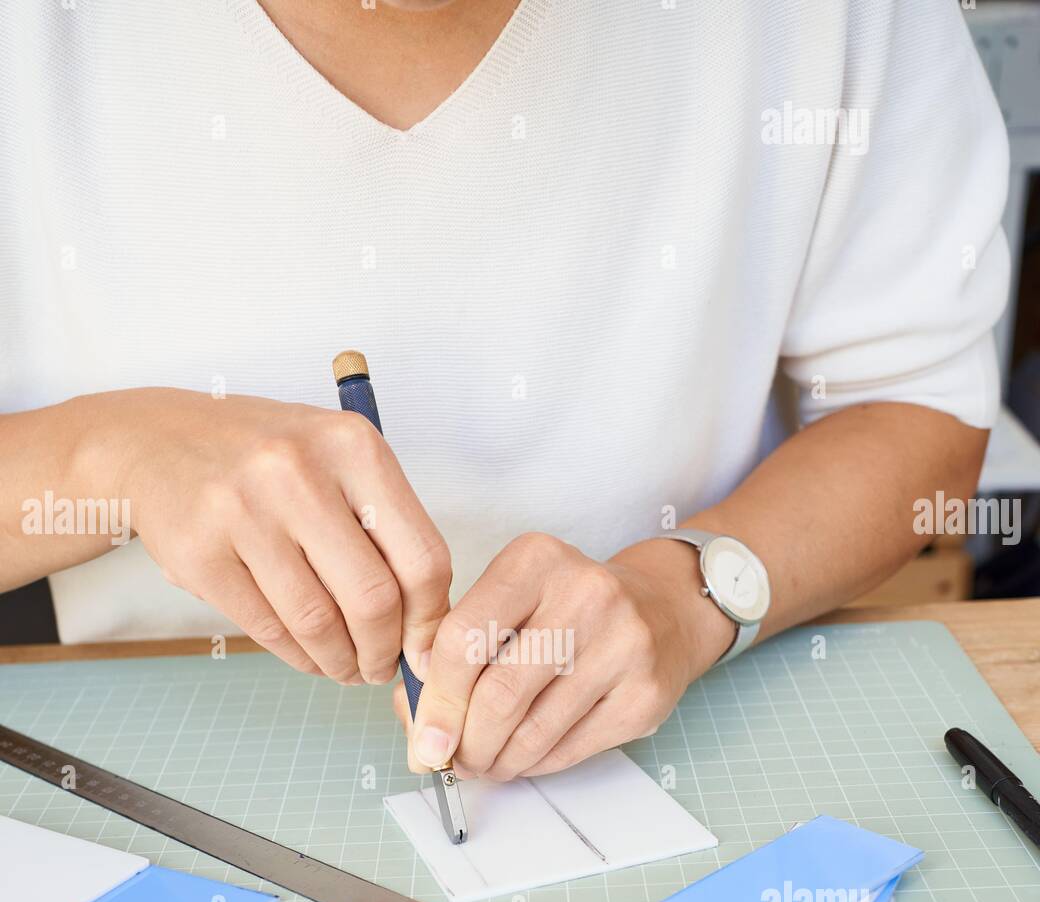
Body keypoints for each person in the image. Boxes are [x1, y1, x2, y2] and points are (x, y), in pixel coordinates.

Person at [0, 0, 1009, 782]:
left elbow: (912, 400)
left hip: (691, 728)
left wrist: (690, 593)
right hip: (133, 760)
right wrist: (109, 459)